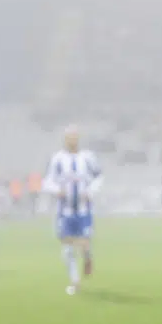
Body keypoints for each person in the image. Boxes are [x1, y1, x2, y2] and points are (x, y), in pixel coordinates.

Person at [43, 126, 102, 296]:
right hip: (65, 211)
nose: (72, 140)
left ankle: (87, 256)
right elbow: (47, 181)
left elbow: (99, 176)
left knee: (83, 242)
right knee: (68, 247)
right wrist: (57, 190)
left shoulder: (88, 157)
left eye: (75, 137)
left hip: (83, 210)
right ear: (65, 139)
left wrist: (90, 191)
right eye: (69, 137)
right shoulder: (57, 159)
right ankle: (75, 281)